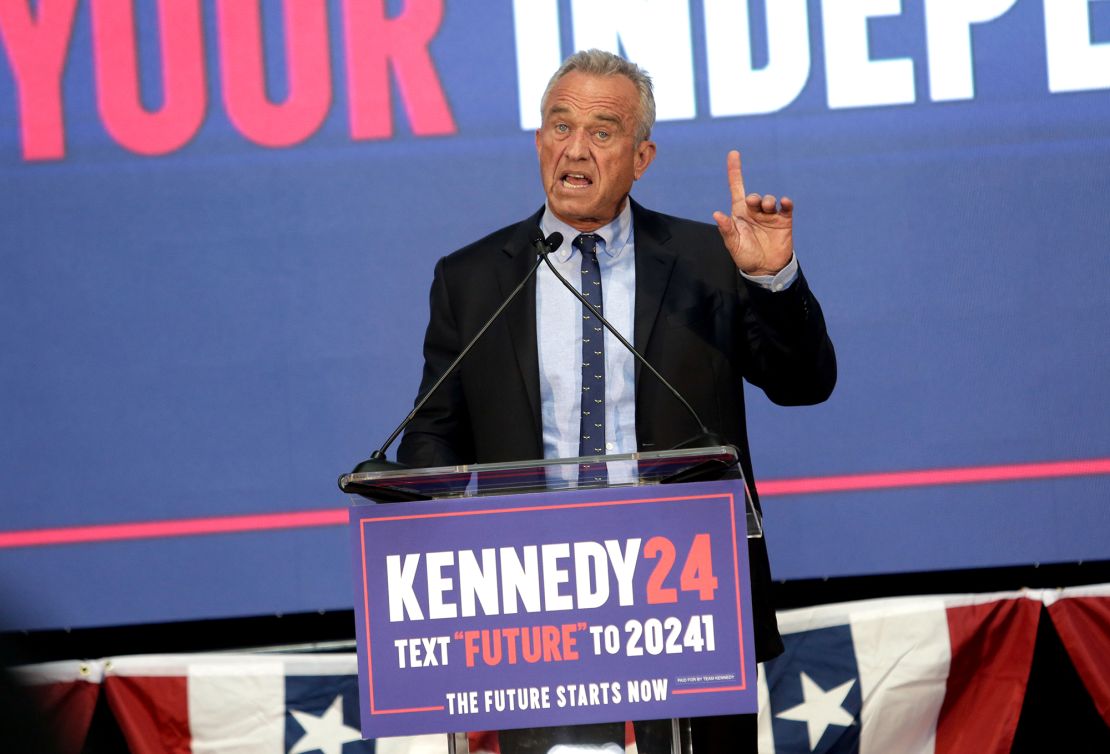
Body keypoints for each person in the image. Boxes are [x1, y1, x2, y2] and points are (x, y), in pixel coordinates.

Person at [397, 49, 836, 752]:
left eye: (602, 131)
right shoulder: (473, 279)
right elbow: (435, 432)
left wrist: (774, 280)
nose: (575, 147)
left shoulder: (708, 261)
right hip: (535, 603)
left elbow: (803, 384)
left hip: (688, 594)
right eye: (559, 125)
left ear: (641, 156)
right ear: (539, 140)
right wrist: (430, 502)